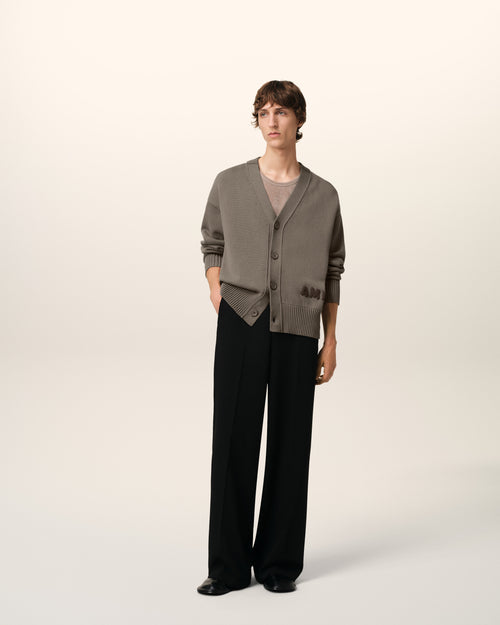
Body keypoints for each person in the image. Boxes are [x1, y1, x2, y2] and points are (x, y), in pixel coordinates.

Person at [197, 80, 346, 595]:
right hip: (241, 319)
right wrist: (218, 290)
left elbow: (333, 269)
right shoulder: (229, 183)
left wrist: (330, 340)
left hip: (299, 328)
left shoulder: (324, 195)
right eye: (263, 112)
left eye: (281, 112)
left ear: (298, 120)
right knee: (232, 441)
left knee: (290, 444)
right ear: (256, 121)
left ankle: (278, 565)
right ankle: (227, 567)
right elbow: (211, 242)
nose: (272, 121)